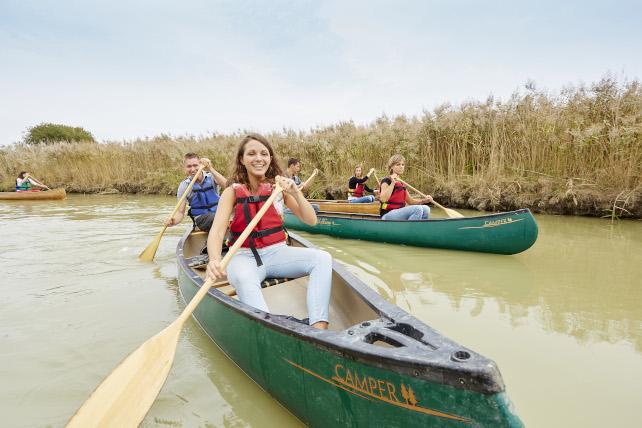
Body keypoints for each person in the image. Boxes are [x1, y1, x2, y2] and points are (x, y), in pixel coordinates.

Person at [205, 134, 332, 330]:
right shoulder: (231, 192)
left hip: (278, 252)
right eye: (252, 153)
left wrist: (295, 192)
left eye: (264, 153)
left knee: (322, 259)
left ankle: (318, 328)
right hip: (243, 256)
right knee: (245, 279)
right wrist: (214, 259)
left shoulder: (278, 188)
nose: (259, 158)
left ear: (270, 159)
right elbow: (216, 232)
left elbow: (311, 220)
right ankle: (270, 330)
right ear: (242, 159)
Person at [164, 153, 227, 232]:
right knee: (216, 218)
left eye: (195, 165)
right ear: (185, 168)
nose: (193, 169)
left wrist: (210, 168)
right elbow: (180, 212)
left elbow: (227, 186)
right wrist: (173, 221)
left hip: (219, 215)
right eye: (189, 166)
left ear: (201, 165)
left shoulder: (212, 177)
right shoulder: (184, 186)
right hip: (201, 220)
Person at [379, 154, 433, 220]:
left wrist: (424, 200)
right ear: (392, 167)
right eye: (398, 164)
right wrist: (393, 183)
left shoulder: (401, 183)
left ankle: (419, 228)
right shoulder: (386, 181)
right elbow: (383, 199)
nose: (401, 167)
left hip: (399, 213)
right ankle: (410, 229)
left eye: (402, 165)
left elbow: (411, 202)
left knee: (426, 209)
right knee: (417, 209)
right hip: (387, 214)